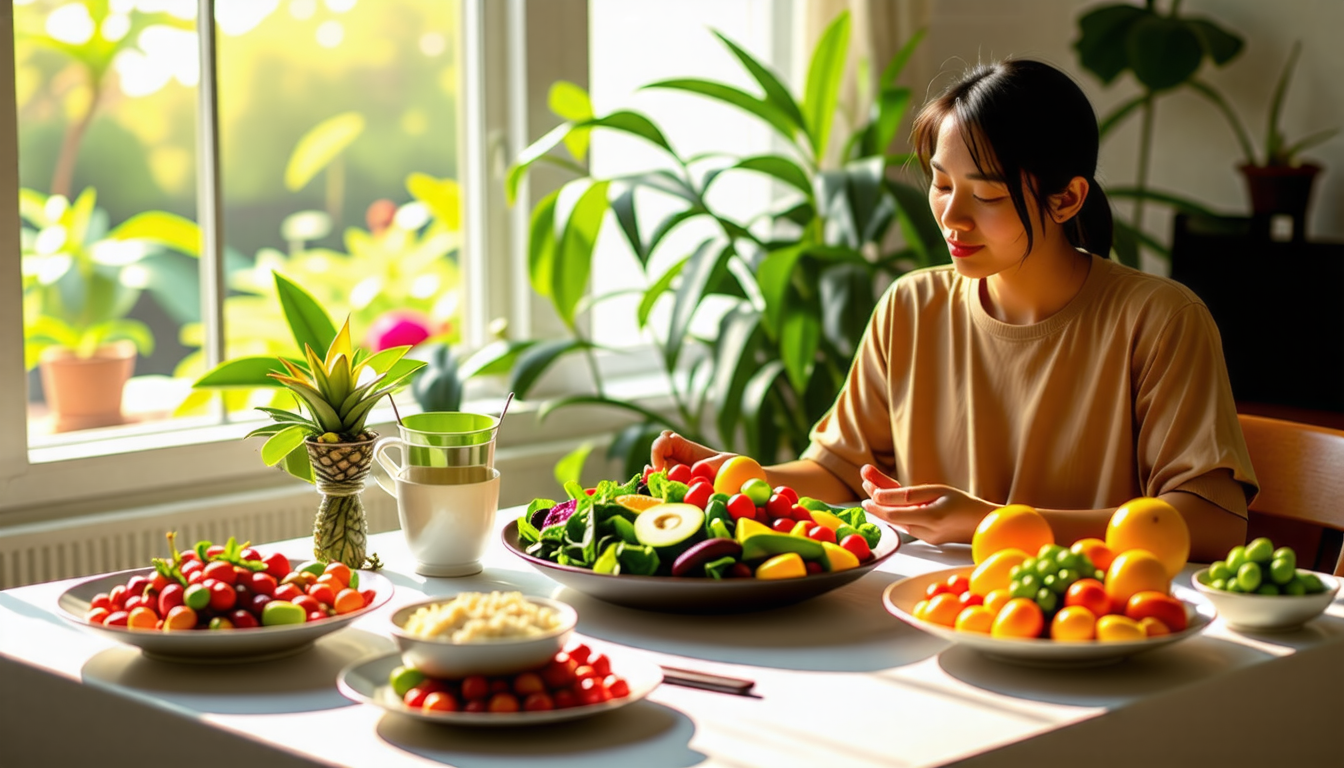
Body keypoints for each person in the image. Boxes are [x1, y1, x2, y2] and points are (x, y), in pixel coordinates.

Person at [650, 58, 1257, 563]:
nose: (951, 217)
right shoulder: (911, 306)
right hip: (929, 612)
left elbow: (1211, 521)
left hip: (1095, 623)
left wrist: (995, 525)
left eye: (987, 195)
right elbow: (836, 474)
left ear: (1068, 198)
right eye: (942, 184)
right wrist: (735, 477)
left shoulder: (1160, 319)